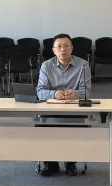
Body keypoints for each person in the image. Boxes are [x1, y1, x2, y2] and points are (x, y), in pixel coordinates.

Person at [36, 33, 92, 176]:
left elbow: (86, 91)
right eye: (59, 46)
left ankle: (70, 162)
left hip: (74, 109)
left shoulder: (83, 65)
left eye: (66, 46)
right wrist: (54, 94)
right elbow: (40, 92)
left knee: (74, 129)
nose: (63, 49)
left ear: (72, 48)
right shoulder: (46, 65)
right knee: (45, 129)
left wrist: (76, 94)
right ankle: (50, 163)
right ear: (54, 50)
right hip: (50, 109)